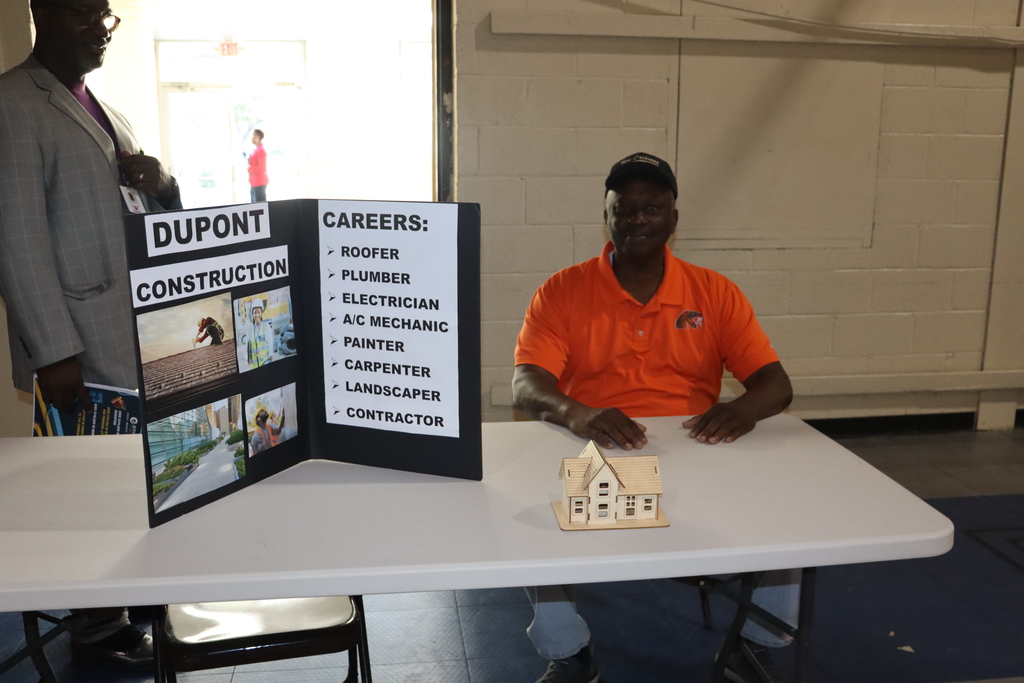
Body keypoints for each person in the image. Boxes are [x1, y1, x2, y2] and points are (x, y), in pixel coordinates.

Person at [512, 152, 797, 683]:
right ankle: (568, 650)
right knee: (534, 523)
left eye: (652, 207)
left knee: (790, 519)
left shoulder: (713, 292)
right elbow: (527, 383)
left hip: (697, 446)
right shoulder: (562, 290)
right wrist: (578, 413)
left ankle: (757, 642)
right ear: (607, 215)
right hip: (598, 446)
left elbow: (775, 385)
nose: (637, 218)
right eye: (624, 208)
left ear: (673, 218)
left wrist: (739, 410)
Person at [0, 0, 182, 669]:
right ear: (43, 14)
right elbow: (14, 236)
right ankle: (97, 626)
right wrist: (52, 353)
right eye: (84, 15)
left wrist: (163, 183)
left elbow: (150, 215)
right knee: (83, 490)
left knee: (129, 480)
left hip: (134, 336)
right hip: (76, 348)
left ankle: (138, 601)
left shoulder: (108, 110)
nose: (100, 28)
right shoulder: (13, 105)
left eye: (106, 16)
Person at [245, 298, 272, 368]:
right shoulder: (249, 330)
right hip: (254, 364)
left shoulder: (266, 326)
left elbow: (270, 342)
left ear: (261, 313)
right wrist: (247, 358)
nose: (257, 315)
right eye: (255, 313)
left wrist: (271, 355)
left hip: (265, 361)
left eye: (258, 312)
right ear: (252, 315)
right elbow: (247, 345)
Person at [248, 128, 268, 202]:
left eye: (254, 135)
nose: (252, 138)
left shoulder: (261, 150)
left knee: (259, 204)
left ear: (258, 137)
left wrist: (249, 168)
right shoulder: (256, 150)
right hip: (254, 182)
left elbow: (262, 168)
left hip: (259, 182)